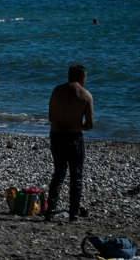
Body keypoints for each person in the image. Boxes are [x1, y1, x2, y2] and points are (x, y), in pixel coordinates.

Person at [45, 64, 94, 222]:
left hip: (57, 135)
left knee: (59, 173)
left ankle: (50, 211)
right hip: (74, 138)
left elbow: (51, 116)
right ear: (82, 78)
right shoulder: (86, 95)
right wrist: (78, 124)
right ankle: (73, 215)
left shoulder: (57, 91)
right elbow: (90, 124)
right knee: (76, 177)